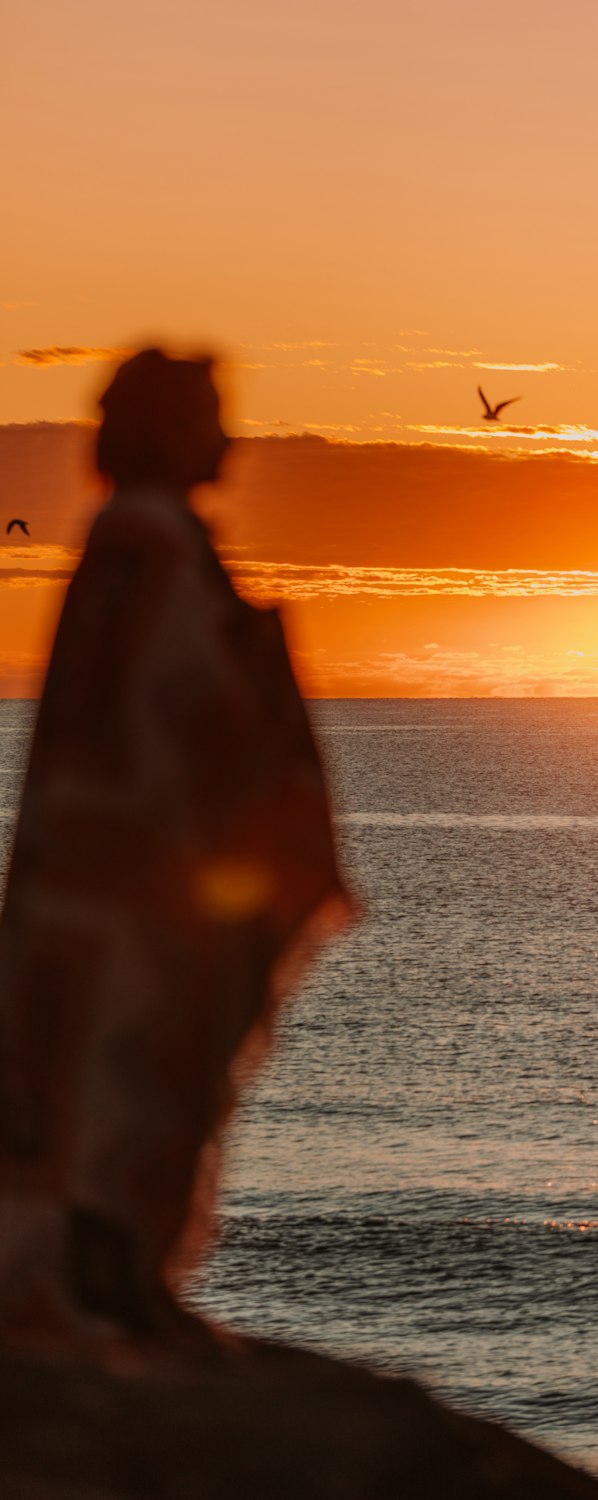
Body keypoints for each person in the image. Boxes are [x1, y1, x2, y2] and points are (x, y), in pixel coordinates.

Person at [0, 349, 355, 1348]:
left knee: (112, 1080)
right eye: (210, 415)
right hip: (129, 880)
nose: (230, 437)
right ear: (165, 429)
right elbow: (186, 697)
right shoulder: (150, 539)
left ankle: (109, 1279)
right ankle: (101, 1285)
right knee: (134, 1075)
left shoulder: (139, 539)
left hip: (103, 871)